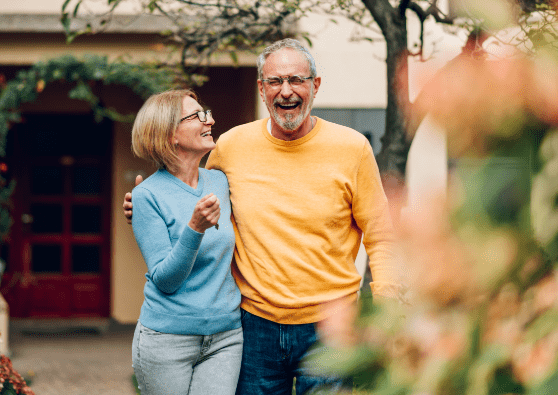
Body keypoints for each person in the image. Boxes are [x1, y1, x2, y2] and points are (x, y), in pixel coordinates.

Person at [124, 39, 400, 394]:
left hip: (333, 327)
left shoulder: (352, 148)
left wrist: (387, 310)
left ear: (315, 85)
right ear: (262, 88)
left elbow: (381, 236)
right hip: (253, 326)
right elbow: (189, 195)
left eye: (297, 80)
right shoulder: (230, 147)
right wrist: (143, 208)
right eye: (275, 81)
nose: (286, 91)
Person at [129, 89, 243, 395]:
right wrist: (195, 228)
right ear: (169, 135)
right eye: (198, 116)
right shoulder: (146, 196)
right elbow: (165, 280)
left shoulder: (220, 181)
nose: (211, 120)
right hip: (167, 339)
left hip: (225, 335)